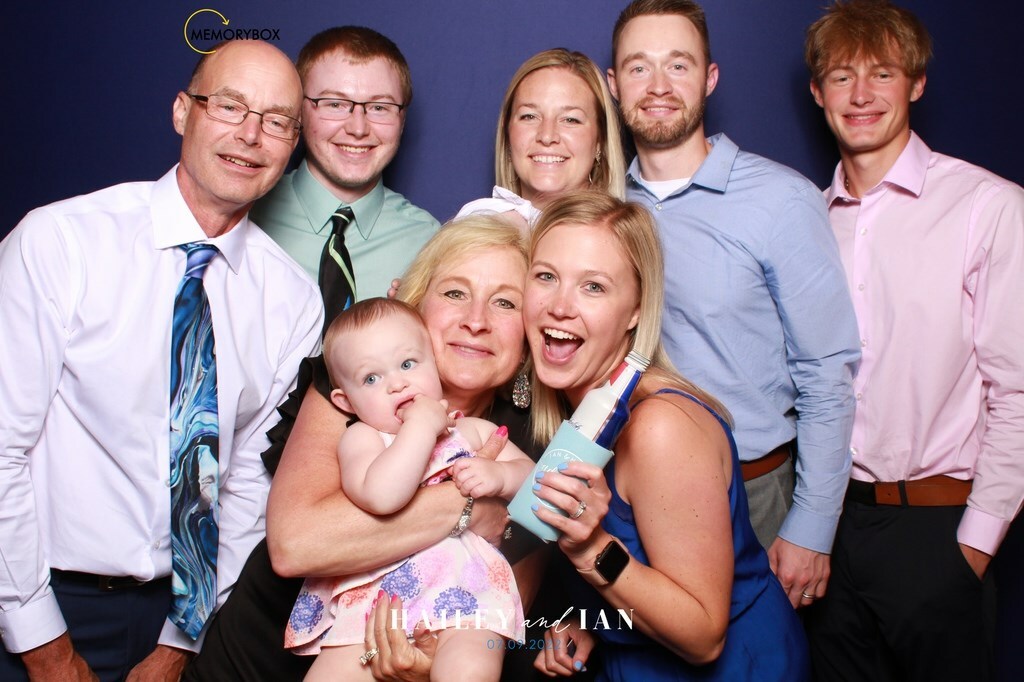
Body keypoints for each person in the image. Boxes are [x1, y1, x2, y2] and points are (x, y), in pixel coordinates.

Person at [0, 40, 322, 681]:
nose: (250, 135)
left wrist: (182, 641)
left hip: (184, 619)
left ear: (293, 145)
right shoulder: (61, 242)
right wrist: (44, 646)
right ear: (182, 111)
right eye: (229, 106)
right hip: (38, 597)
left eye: (277, 121)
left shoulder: (292, 299)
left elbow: (248, 485)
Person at [187, 217, 538, 681]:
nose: (476, 321)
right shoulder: (359, 385)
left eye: (505, 302)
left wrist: (431, 664)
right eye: (455, 293)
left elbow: (500, 615)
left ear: (529, 333)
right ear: (414, 304)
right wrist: (469, 506)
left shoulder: (524, 439)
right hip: (257, 663)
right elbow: (296, 546)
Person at [607, 0, 861, 609]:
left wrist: (812, 526)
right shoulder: (604, 205)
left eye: (679, 65)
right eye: (639, 68)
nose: (659, 85)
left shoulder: (780, 200)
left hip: (753, 492)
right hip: (623, 493)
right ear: (614, 85)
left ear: (710, 78)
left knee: (756, 653)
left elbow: (827, 370)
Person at [802, 2, 1024, 680]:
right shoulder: (807, 222)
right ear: (817, 93)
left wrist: (973, 549)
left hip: (937, 531)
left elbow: (1017, 391)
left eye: (882, 74)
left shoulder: (988, 207)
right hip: (827, 534)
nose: (861, 95)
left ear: (917, 83)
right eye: (841, 77)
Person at [524, 190, 808, 680]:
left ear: (636, 310)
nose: (559, 306)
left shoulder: (661, 427)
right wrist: (592, 620)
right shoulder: (575, 410)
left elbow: (703, 636)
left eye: (593, 287)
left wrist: (590, 548)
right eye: (546, 276)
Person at [286, 298, 532, 680]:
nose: (397, 383)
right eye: (371, 378)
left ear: (434, 364)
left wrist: (501, 476)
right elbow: (382, 497)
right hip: (374, 603)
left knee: (470, 667)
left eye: (407, 364)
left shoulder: (470, 430)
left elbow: (535, 481)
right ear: (345, 401)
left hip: (467, 588)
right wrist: (420, 426)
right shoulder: (363, 439)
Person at [251, 26, 438, 315]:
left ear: (402, 119)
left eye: (380, 107)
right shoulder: (246, 215)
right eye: (335, 104)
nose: (358, 128)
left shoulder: (429, 243)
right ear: (298, 111)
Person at [456, 48, 626, 229]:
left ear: (600, 140)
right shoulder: (474, 226)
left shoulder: (625, 236)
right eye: (529, 116)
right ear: (507, 133)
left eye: (570, 119)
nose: (546, 136)